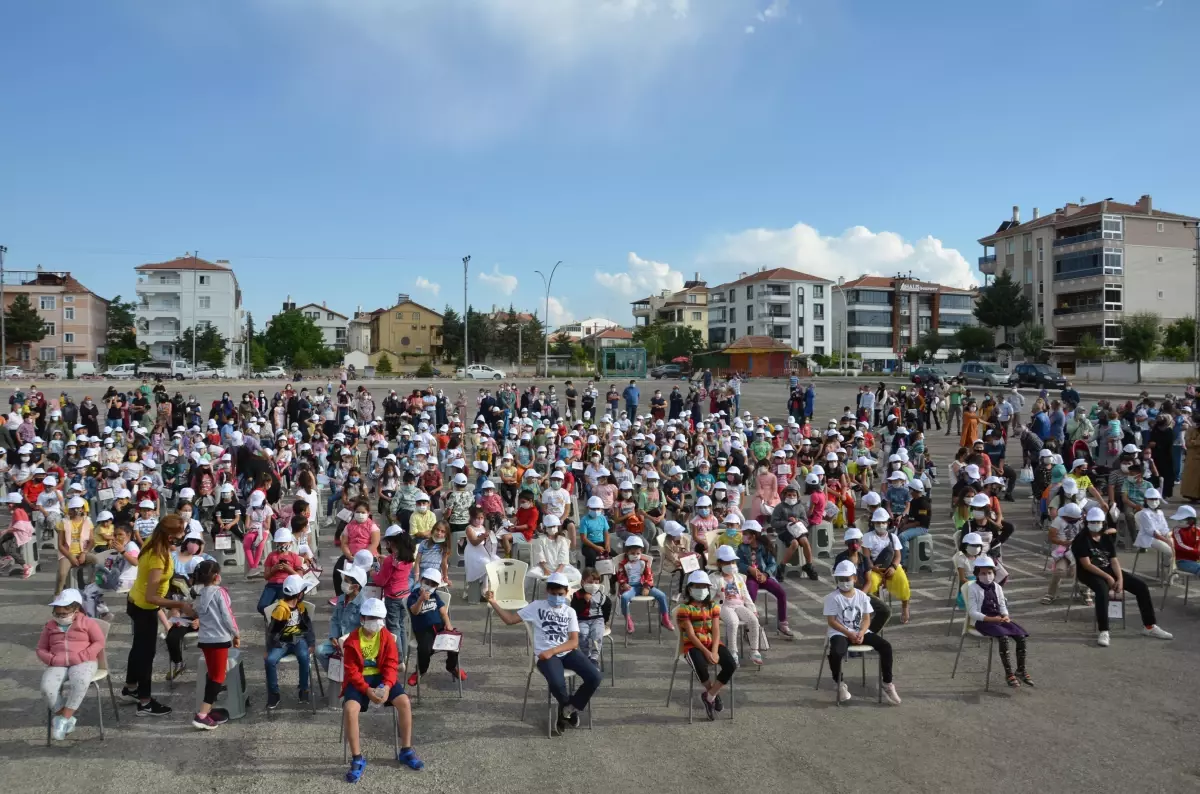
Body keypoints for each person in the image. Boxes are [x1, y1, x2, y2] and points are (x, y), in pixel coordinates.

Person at [485, 571, 601, 733]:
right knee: (556, 683)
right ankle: (567, 709)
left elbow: (574, 642)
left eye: (560, 594)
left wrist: (553, 650)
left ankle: (568, 709)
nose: (556, 597)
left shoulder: (570, 612)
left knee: (595, 676)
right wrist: (493, 601)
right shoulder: (536, 606)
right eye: (552, 594)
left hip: (565, 651)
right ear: (547, 591)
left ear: (566, 592)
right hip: (544, 656)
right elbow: (509, 620)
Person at [341, 598, 424, 781]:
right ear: (363, 618)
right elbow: (351, 672)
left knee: (404, 702)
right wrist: (367, 690)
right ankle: (357, 758)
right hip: (360, 679)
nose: (377, 622)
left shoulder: (385, 636)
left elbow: (391, 664)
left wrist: (386, 686)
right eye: (373, 617)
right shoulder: (352, 640)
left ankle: (406, 750)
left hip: (381, 677)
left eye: (380, 618)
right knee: (350, 709)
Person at [122, 513, 193, 716]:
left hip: (136, 601)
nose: (182, 539)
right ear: (169, 536)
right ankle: (145, 702)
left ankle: (130, 687)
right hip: (144, 607)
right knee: (146, 655)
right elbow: (152, 597)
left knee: (137, 649)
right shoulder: (157, 558)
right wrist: (180, 604)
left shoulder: (152, 543)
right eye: (179, 536)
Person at [1071, 514, 1172, 647]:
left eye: (1098, 521)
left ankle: (1149, 626)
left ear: (1103, 522)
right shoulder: (1081, 540)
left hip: (1109, 570)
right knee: (1102, 591)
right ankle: (1104, 631)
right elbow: (1087, 565)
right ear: (1087, 522)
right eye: (1092, 521)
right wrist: (1109, 578)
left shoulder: (1106, 537)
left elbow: (1113, 560)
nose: (1095, 523)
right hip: (1089, 573)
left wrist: (1120, 578)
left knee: (1141, 586)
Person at [824, 560, 901, 705]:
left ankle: (887, 683)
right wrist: (849, 634)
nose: (844, 582)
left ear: (854, 578)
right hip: (840, 633)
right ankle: (839, 683)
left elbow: (866, 619)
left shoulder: (861, 596)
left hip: (860, 631)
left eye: (847, 579)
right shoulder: (832, 597)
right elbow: (832, 621)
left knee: (885, 646)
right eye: (840, 579)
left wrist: (861, 632)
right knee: (836, 652)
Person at [38, 588, 106, 741]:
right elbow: (41, 648)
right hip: (57, 662)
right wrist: (51, 659)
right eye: (57, 613)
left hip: (84, 661)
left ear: (76, 610)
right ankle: (66, 718)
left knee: (80, 681)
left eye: (64, 614)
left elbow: (99, 642)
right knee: (47, 687)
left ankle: (62, 720)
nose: (60, 617)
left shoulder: (87, 623)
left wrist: (83, 655)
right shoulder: (50, 626)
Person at [676, 569, 736, 719]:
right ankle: (713, 693)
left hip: (712, 643)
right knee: (701, 665)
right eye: (697, 586)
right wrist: (706, 652)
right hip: (693, 646)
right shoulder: (684, 609)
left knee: (731, 664)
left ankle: (710, 696)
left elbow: (716, 630)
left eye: (704, 586)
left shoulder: (714, 607)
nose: (701, 590)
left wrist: (714, 650)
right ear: (690, 588)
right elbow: (690, 634)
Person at [966, 555, 1033, 688]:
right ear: (977, 574)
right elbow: (972, 612)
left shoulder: (997, 587)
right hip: (984, 621)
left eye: (990, 573)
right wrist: (990, 619)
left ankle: (1021, 669)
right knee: (1003, 638)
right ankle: (1009, 674)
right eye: (983, 573)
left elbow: (1002, 604)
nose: (987, 576)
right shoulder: (973, 588)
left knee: (1021, 637)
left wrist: (1005, 615)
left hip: (998, 618)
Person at [192, 559, 241, 730]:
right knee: (219, 677)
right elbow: (227, 616)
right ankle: (202, 715)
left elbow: (197, 611)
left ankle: (209, 710)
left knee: (213, 675)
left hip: (205, 640)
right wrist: (236, 634)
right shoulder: (220, 592)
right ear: (216, 576)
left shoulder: (200, 593)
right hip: (220, 639)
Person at [264, 574, 315, 710]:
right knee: (270, 661)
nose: (304, 594)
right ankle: (274, 694)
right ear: (298, 594)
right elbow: (272, 631)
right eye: (302, 591)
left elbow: (308, 627)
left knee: (304, 657)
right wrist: (268, 649)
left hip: (298, 639)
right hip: (282, 642)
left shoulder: (301, 607)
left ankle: (304, 689)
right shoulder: (281, 610)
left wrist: (311, 643)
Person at [406, 568, 465, 687]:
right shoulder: (413, 596)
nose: (429, 586)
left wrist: (448, 624)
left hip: (438, 626)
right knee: (424, 649)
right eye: (427, 582)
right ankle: (420, 671)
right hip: (423, 629)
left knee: (454, 642)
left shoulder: (435, 595)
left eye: (433, 584)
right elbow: (415, 611)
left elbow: (443, 612)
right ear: (422, 580)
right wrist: (421, 600)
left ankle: (451, 667)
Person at [711, 545, 764, 665]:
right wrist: (719, 596)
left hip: (739, 605)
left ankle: (754, 650)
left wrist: (753, 609)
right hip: (725, 606)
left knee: (753, 620)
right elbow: (709, 597)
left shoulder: (738, 577)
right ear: (720, 564)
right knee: (733, 623)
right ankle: (733, 652)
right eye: (727, 562)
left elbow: (746, 594)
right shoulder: (715, 578)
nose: (731, 565)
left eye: (733, 562)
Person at [862, 507, 912, 623]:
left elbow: (898, 556)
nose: (880, 525)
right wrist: (873, 568)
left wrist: (893, 567)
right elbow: (866, 557)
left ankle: (905, 607)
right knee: (872, 583)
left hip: (891, 567)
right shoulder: (867, 537)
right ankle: (875, 608)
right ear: (873, 523)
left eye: (883, 522)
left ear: (887, 523)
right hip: (875, 569)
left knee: (903, 581)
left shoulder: (893, 537)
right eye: (878, 523)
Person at [616, 535, 673, 634]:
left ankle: (665, 618)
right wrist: (623, 584)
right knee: (624, 598)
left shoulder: (644, 562)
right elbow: (620, 576)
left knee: (662, 595)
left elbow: (649, 575)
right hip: (630, 587)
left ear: (641, 552)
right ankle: (629, 620)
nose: (635, 555)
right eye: (632, 553)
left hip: (643, 586)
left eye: (638, 553)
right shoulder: (623, 564)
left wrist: (646, 586)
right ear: (627, 552)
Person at [317, 562, 367, 671]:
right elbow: (335, 619)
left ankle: (346, 677)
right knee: (320, 651)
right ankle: (336, 675)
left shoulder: (364, 604)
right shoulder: (342, 598)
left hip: (354, 643)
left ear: (355, 586)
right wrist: (333, 636)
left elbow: (364, 630)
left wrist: (346, 641)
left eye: (346, 581)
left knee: (351, 660)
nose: (343, 582)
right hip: (338, 640)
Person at [570, 568, 611, 667]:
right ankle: (586, 655)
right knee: (582, 634)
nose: (593, 585)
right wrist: (584, 601)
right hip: (582, 619)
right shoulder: (578, 594)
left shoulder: (600, 594)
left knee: (597, 634)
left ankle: (594, 657)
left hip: (597, 619)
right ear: (583, 582)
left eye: (596, 582)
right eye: (590, 582)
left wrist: (605, 620)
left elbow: (607, 605)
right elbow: (574, 609)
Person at [1172, 505, 1200, 574]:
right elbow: (1180, 545)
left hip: (1196, 560)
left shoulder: (1197, 530)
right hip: (1182, 561)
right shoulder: (1177, 530)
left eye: (1182, 519)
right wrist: (1196, 552)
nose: (1179, 521)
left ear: (1191, 520)